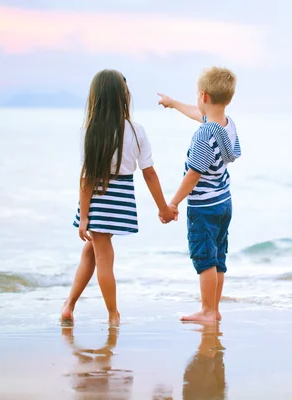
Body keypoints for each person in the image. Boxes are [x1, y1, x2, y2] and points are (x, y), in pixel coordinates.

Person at [62, 69, 176, 326]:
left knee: (99, 254)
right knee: (94, 253)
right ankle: (106, 313)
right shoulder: (136, 131)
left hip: (98, 199)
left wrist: (84, 216)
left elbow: (87, 179)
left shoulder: (89, 131)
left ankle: (75, 307)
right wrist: (164, 209)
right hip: (120, 199)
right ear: (123, 97)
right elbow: (149, 174)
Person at [158, 66, 241, 322]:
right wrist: (173, 104)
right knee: (218, 257)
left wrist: (172, 203)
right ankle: (214, 309)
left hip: (204, 207)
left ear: (203, 96)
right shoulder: (226, 125)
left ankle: (207, 311)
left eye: (196, 95)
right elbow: (200, 116)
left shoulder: (204, 135)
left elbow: (193, 174)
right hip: (224, 202)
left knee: (205, 258)